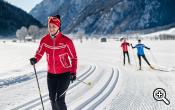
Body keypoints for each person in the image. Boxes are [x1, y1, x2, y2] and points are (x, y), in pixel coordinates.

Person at [30, 15, 77, 110]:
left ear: (58, 27)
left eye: (53, 26)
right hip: (51, 75)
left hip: (64, 74)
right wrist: (35, 59)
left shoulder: (66, 41)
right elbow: (39, 53)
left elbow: (73, 58)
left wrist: (73, 72)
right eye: (49, 26)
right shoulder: (44, 40)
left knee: (59, 100)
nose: (51, 29)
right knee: (52, 100)